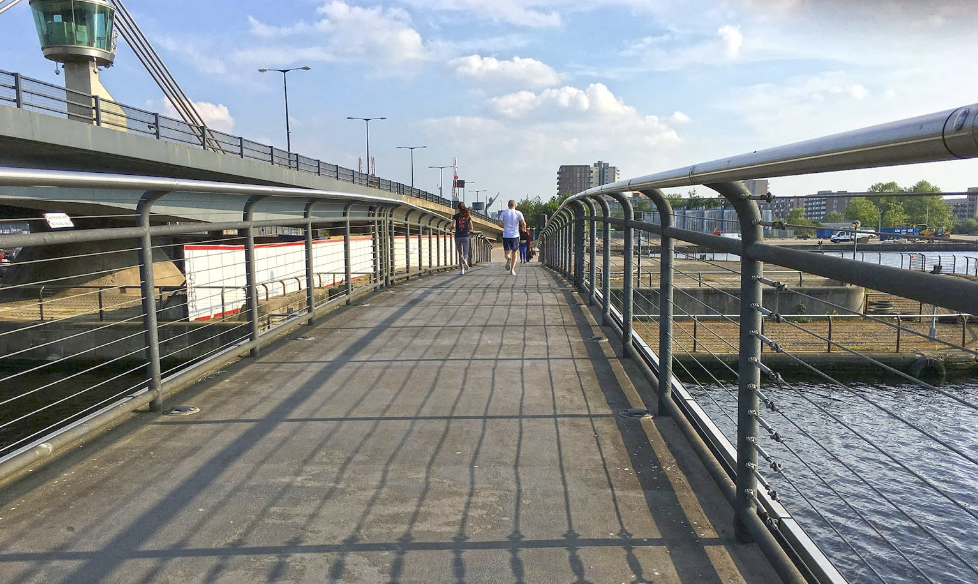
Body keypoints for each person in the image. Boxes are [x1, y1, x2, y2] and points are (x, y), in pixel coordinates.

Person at [497, 199, 525, 275]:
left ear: (508, 205)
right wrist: (523, 228)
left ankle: (508, 258)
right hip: (515, 235)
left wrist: (504, 227)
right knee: (515, 252)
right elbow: (523, 223)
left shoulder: (504, 212)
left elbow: (499, 223)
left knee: (507, 253)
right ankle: (512, 270)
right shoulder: (518, 213)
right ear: (515, 205)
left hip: (506, 235)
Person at [453, 202, 472, 275]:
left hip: (458, 236)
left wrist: (450, 228)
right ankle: (465, 261)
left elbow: (453, 225)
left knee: (460, 253)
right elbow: (471, 227)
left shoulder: (455, 216)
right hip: (465, 236)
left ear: (458, 208)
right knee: (466, 253)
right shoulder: (467, 216)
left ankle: (462, 270)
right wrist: (467, 230)